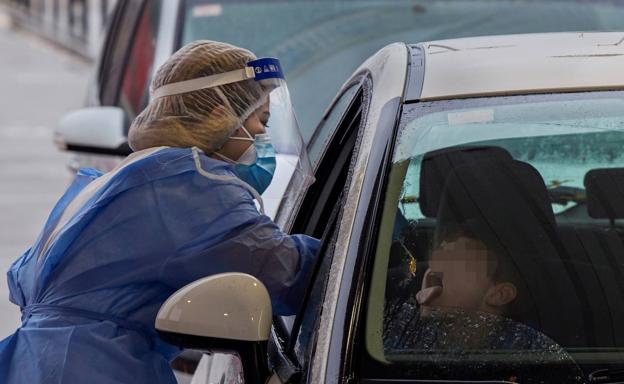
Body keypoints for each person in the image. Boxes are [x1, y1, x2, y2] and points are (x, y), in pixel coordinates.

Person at [0, 40, 319, 384]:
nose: (262, 134)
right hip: (94, 368)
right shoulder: (186, 186)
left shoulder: (129, 178)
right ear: (220, 115)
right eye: (261, 119)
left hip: (36, 365)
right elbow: (285, 274)